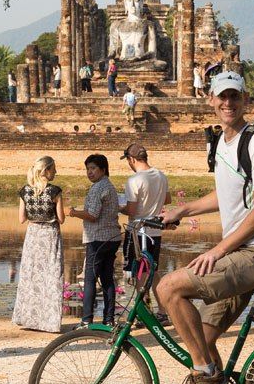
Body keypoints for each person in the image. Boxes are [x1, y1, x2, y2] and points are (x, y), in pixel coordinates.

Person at [156, 70, 254, 384]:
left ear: (245, 100)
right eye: (222, 97)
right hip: (241, 252)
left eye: (235, 97)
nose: (228, 103)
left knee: (169, 287)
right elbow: (226, 198)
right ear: (210, 100)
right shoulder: (221, 145)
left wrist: (217, 250)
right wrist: (183, 211)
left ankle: (203, 375)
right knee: (203, 336)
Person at [12, 156, 66, 333]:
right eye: (54, 169)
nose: (56, 172)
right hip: (50, 234)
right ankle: (49, 322)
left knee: (31, 275)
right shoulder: (54, 192)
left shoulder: (25, 191)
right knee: (51, 276)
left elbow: (21, 219)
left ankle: (29, 318)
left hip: (33, 235)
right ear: (46, 171)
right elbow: (61, 219)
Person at [68, 154, 121, 327]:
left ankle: (86, 320)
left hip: (97, 238)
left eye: (93, 169)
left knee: (90, 278)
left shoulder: (98, 187)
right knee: (107, 278)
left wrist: (74, 212)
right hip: (111, 238)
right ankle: (109, 319)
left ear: (103, 169)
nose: (89, 172)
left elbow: (92, 215)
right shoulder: (109, 186)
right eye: (87, 169)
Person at [119, 142, 170, 280]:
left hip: (136, 232)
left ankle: (140, 300)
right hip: (155, 232)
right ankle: (151, 299)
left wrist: (119, 208)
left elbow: (131, 210)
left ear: (132, 159)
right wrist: (153, 201)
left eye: (129, 161)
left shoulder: (134, 180)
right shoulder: (161, 176)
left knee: (135, 273)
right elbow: (167, 199)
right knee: (151, 272)